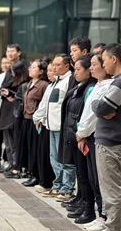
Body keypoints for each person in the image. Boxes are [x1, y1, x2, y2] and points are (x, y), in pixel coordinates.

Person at [58, 55, 96, 222]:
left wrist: (80, 134)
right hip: (75, 135)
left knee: (86, 176)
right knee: (81, 174)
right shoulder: (79, 87)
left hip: (83, 137)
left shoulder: (90, 88)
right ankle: (83, 204)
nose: (75, 73)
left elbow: (86, 115)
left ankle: (89, 210)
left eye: (79, 69)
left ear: (89, 70)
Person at [76, 54, 111, 230]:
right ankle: (100, 215)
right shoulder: (97, 85)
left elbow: (93, 116)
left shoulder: (108, 86)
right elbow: (86, 113)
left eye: (94, 64)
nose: (91, 68)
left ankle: (104, 217)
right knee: (93, 178)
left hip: (95, 136)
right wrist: (81, 133)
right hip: (87, 135)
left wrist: (81, 133)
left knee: (100, 180)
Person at [91, 43, 121, 231]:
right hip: (113, 141)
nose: (103, 65)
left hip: (111, 143)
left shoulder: (118, 83)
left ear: (114, 59)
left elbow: (101, 107)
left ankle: (113, 227)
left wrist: (96, 102)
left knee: (112, 192)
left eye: (104, 60)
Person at [41, 54, 76, 198]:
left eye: (57, 65)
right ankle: (58, 185)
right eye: (53, 64)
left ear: (66, 66)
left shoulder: (69, 80)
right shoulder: (56, 82)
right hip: (52, 126)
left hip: (62, 127)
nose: (54, 67)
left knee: (66, 159)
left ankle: (67, 188)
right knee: (54, 158)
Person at [18, 59, 49, 187]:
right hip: (26, 119)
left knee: (34, 149)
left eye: (34, 67)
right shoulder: (29, 83)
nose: (31, 69)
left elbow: (44, 104)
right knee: (26, 148)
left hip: (35, 121)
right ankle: (30, 172)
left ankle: (36, 175)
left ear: (41, 71)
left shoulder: (43, 85)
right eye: (31, 67)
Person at [33, 63, 56, 193]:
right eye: (48, 70)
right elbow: (43, 105)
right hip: (43, 122)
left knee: (49, 155)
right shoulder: (50, 86)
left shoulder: (51, 85)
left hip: (51, 124)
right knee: (43, 154)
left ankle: (49, 183)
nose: (49, 73)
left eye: (52, 70)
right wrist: (37, 118)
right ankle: (44, 182)